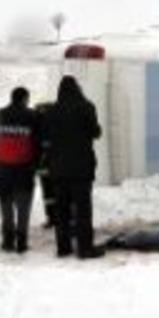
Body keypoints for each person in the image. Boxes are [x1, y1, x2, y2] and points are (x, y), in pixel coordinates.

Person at [48, 76, 104, 259]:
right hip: (81, 168)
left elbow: (46, 136)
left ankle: (63, 247)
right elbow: (95, 132)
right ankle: (85, 248)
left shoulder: (52, 111)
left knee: (61, 211)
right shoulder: (86, 107)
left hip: (58, 169)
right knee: (83, 210)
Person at [0, 87, 39, 253]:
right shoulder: (33, 117)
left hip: (3, 169)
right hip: (24, 170)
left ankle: (8, 240)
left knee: (6, 207)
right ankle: (22, 242)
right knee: (23, 208)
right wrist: (35, 165)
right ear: (25, 99)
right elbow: (38, 143)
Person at [34, 102, 58, 229]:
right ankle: (59, 217)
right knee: (57, 191)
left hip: (43, 164)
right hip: (56, 164)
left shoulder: (37, 123)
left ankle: (51, 217)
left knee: (48, 193)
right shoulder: (56, 122)